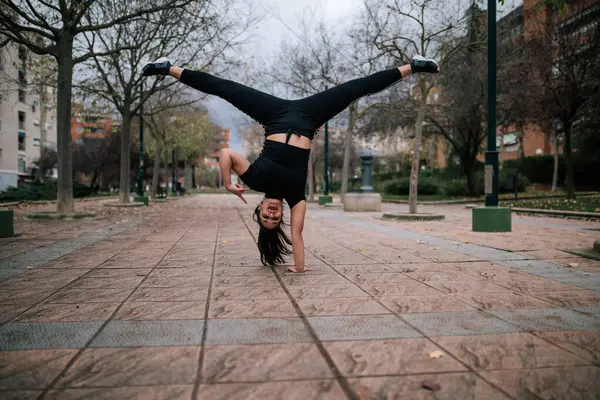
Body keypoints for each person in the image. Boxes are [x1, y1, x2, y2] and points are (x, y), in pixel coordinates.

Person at [142, 56, 440, 273]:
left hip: (274, 115)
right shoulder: (296, 197)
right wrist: (299, 268)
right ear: (280, 214)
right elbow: (296, 235)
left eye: (265, 218)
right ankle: (413, 67)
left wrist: (227, 183)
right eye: (275, 219)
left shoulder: (255, 180)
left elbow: (225, 153)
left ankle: (168, 68)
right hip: (310, 117)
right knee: (355, 89)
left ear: (258, 211)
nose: (271, 215)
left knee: (226, 88)